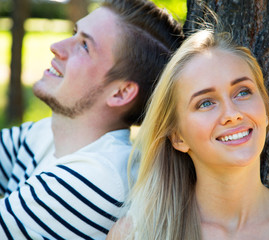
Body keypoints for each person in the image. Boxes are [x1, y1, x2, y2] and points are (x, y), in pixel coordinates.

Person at [106, 29, 269, 239]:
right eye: (205, 103)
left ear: (265, 110)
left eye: (242, 92)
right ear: (178, 137)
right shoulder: (135, 234)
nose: (232, 113)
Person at [0, 0, 183, 239]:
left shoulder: (99, 179)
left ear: (120, 93)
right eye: (75, 33)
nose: (57, 46)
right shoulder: (48, 133)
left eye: (84, 46)